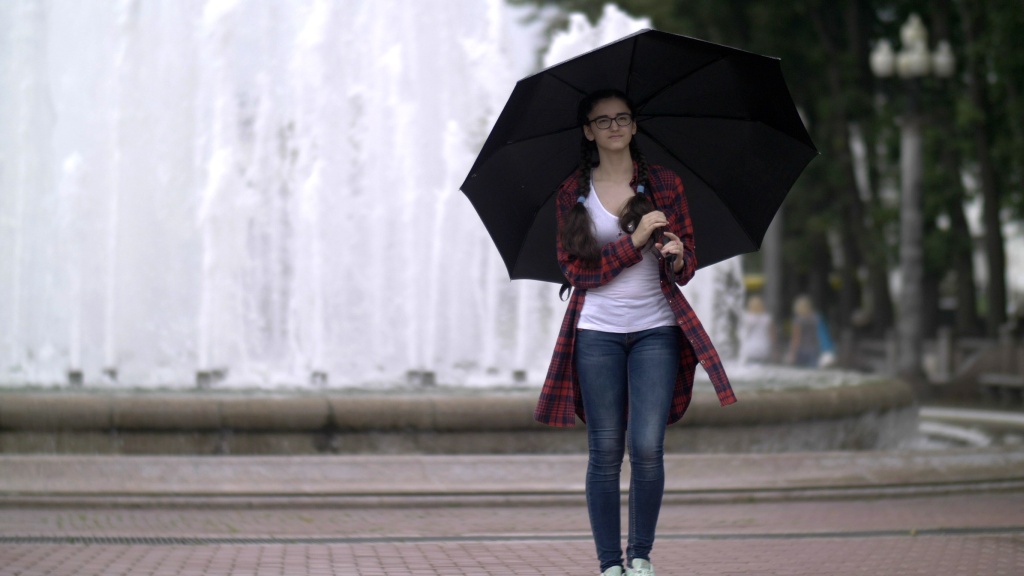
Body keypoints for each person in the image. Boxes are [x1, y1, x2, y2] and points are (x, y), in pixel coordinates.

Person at [534, 88, 737, 576]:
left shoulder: (664, 185)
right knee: (605, 450)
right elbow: (577, 273)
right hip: (597, 332)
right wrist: (635, 242)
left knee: (646, 446)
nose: (614, 127)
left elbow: (687, 264)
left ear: (634, 125)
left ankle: (640, 557)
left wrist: (676, 255)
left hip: (656, 330)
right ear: (588, 131)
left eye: (622, 118)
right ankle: (609, 565)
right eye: (603, 121)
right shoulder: (571, 194)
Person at [786, 295, 821, 367]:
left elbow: (796, 338)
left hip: (801, 349)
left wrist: (792, 352)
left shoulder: (798, 320)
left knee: (800, 371)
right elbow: (817, 334)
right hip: (813, 348)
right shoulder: (815, 318)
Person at [739, 295, 774, 364]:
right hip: (764, 346)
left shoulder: (746, 317)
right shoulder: (767, 318)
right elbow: (771, 335)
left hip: (750, 347)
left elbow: (743, 334)